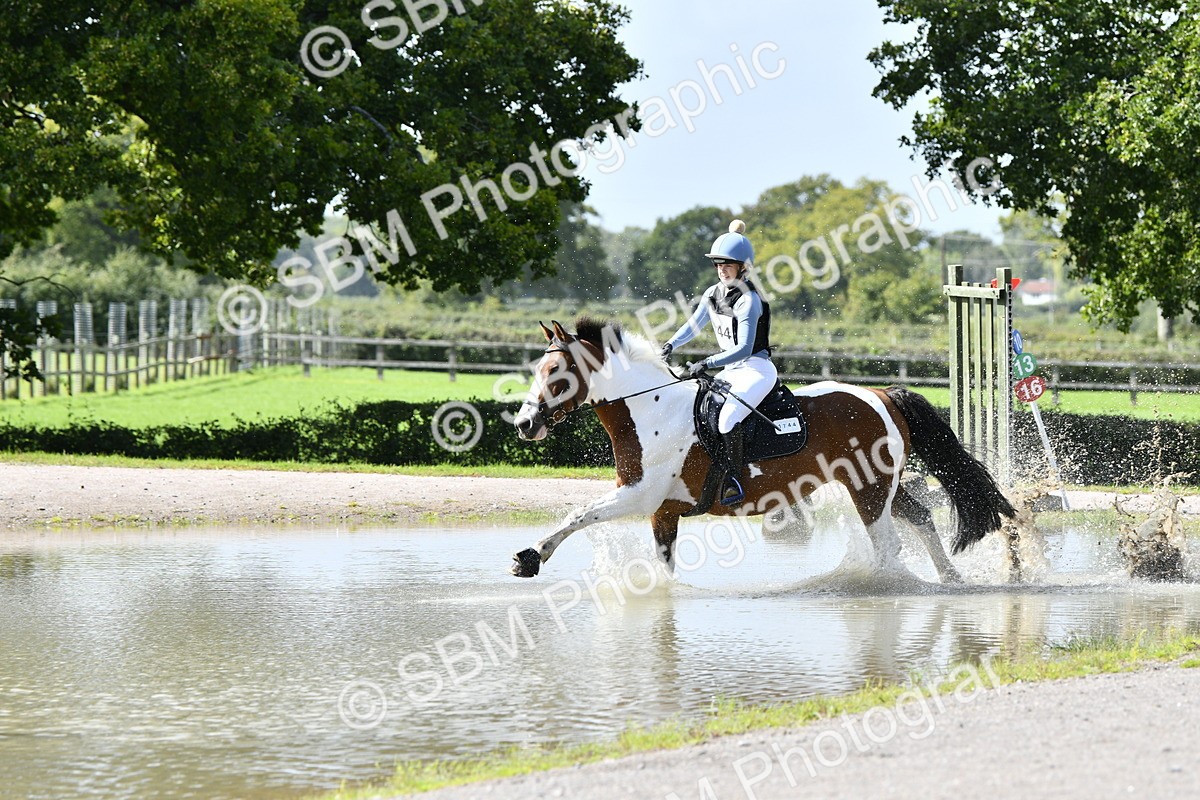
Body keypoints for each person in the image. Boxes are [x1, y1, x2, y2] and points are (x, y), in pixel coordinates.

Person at [660, 219, 776, 504]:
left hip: (755, 370)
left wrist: (707, 362)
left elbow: (745, 348)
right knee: (697, 411)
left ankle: (734, 480)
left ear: (743, 267)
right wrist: (670, 344)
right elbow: (693, 324)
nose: (722, 270)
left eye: (728, 265)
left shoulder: (748, 300)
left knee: (726, 420)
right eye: (718, 265)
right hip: (732, 370)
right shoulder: (713, 293)